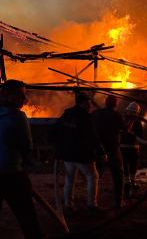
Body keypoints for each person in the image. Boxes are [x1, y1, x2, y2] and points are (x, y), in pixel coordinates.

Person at [0, 80, 47, 239]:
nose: (24, 99)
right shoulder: (17, 116)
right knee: (26, 214)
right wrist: (24, 163)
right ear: (7, 95)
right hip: (12, 173)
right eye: (20, 94)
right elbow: (27, 146)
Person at [52, 92, 107, 216]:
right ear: (83, 104)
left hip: (67, 154)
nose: (90, 107)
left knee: (70, 178)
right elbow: (93, 137)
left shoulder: (67, 114)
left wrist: (59, 149)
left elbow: (55, 131)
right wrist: (102, 153)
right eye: (88, 104)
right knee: (93, 177)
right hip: (81, 154)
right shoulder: (85, 117)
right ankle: (92, 206)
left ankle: (69, 206)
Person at [92, 95, 134, 208]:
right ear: (116, 105)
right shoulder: (118, 116)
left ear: (105, 103)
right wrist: (133, 120)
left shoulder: (96, 113)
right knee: (118, 174)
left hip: (99, 149)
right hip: (113, 149)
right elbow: (126, 129)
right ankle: (119, 201)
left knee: (96, 176)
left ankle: (92, 201)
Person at [120, 102, 143, 198]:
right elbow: (141, 135)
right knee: (133, 166)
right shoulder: (138, 122)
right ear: (137, 112)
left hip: (122, 148)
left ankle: (127, 188)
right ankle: (131, 184)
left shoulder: (122, 119)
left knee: (125, 168)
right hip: (134, 149)